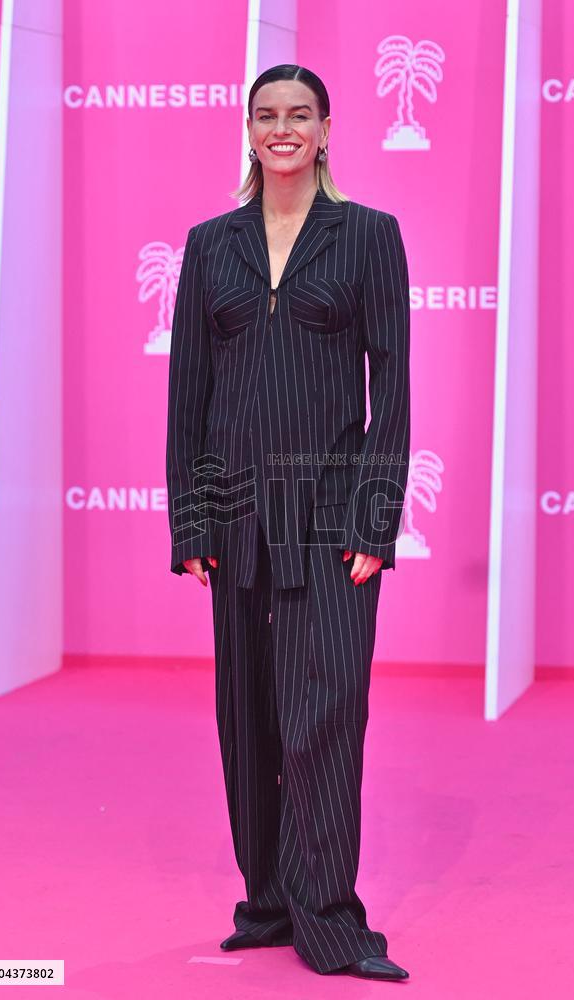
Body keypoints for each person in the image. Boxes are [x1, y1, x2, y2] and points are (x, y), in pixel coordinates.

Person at [166, 63, 411, 982]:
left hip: (330, 506)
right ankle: (266, 902)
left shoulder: (370, 238)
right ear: (249, 129)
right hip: (233, 511)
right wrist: (190, 523)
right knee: (250, 719)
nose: (282, 128)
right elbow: (187, 389)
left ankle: (330, 918)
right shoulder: (210, 244)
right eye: (266, 115)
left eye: (298, 115)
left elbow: (392, 388)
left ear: (327, 129)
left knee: (323, 717)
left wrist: (375, 522)